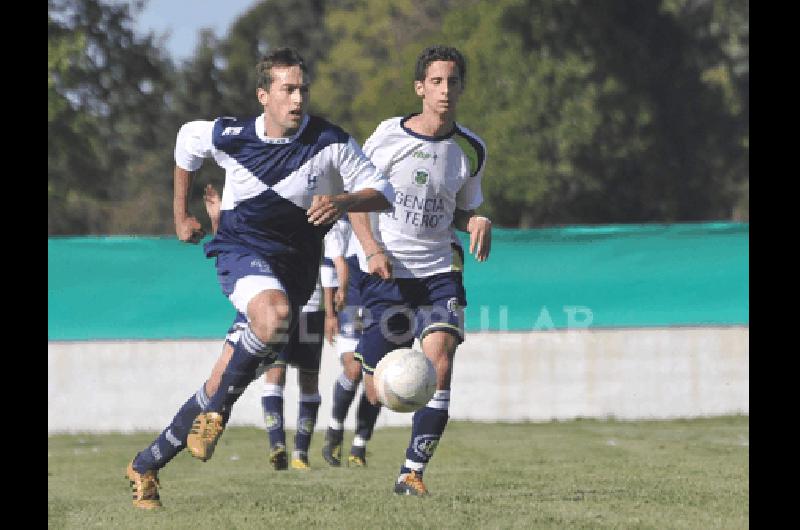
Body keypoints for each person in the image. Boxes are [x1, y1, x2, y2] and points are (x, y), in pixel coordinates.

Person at [124, 47, 393, 509]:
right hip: (240, 253)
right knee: (273, 317)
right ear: (263, 95)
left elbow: (383, 192)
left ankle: (145, 465)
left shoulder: (328, 140)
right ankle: (218, 415)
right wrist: (179, 215)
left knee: (219, 381)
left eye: (302, 89)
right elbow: (186, 144)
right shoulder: (230, 134)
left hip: (296, 273)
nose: (297, 99)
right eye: (287, 90)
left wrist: (344, 202)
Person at [348, 45, 492, 496]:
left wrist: (476, 222)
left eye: (452, 81)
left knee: (441, 358)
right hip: (387, 271)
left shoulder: (470, 148)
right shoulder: (387, 137)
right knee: (376, 390)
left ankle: (412, 472)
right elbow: (356, 199)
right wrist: (371, 248)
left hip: (438, 269)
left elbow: (460, 212)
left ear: (461, 87)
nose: (445, 90)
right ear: (420, 88)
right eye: (436, 81)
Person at [206, 185, 339, 471]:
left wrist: (330, 311)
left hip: (311, 309)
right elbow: (234, 247)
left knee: (305, 378)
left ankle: (299, 452)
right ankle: (278, 444)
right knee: (275, 373)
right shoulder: (264, 213)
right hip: (282, 307)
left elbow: (333, 262)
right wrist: (218, 219)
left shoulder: (323, 214)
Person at [321, 216, 382, 468]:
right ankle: (335, 429)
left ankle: (359, 445)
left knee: (375, 379)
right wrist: (329, 313)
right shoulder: (341, 217)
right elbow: (328, 265)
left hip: (383, 301)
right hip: (353, 301)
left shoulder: (387, 208)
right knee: (354, 369)